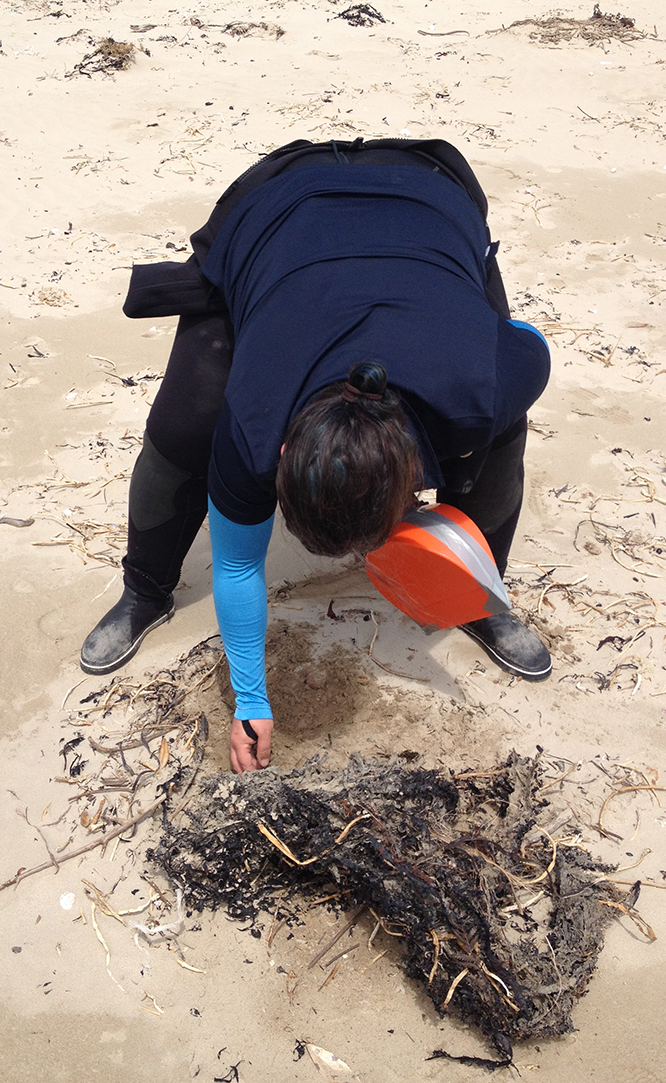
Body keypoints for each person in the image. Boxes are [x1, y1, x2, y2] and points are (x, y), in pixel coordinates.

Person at [79, 136, 552, 774]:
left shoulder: (484, 383)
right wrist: (250, 698)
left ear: (410, 470)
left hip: (428, 194)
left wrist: (466, 326)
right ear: (279, 449)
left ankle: (478, 593)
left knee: (497, 433)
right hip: (273, 208)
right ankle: (145, 590)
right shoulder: (252, 419)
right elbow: (239, 565)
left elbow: (527, 341)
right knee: (182, 428)